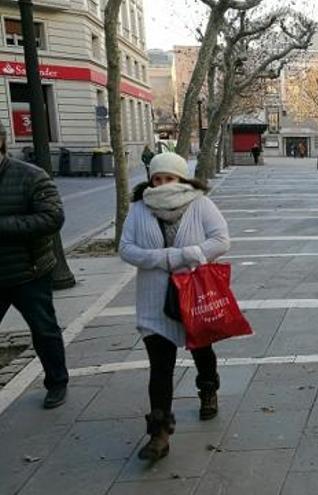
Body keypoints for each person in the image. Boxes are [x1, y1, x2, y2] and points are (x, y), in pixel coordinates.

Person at [119, 152, 230, 462]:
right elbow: (125, 249)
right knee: (160, 367)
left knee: (202, 350)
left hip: (194, 296)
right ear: (150, 180)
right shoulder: (140, 210)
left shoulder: (200, 204)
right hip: (154, 301)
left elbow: (221, 240)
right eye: (157, 179)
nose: (163, 184)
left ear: (182, 178)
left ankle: (208, 389)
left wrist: (188, 255)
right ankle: (159, 433)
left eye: (169, 178)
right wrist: (162, 259)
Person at [0, 121, 69, 410]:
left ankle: (57, 382)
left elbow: (52, 218)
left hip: (29, 271)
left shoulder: (31, 176)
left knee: (44, 329)